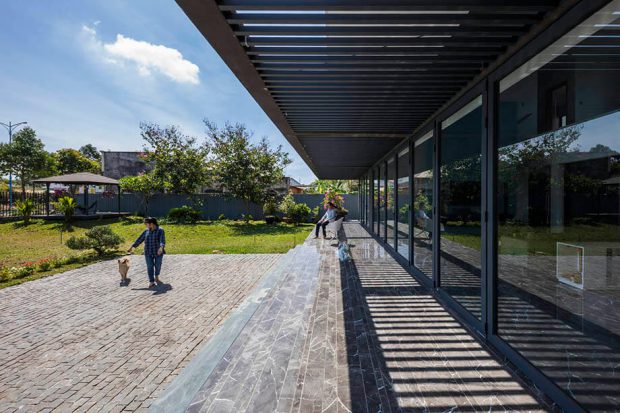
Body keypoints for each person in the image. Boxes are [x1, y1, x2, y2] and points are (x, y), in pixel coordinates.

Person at [128, 217, 166, 289]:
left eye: (146, 223)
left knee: (158, 265)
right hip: (148, 252)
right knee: (149, 266)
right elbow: (140, 239)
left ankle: (156, 276)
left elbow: (162, 240)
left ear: (151, 224)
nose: (145, 225)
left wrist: (161, 248)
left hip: (158, 252)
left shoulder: (160, 230)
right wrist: (132, 247)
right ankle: (151, 281)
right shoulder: (146, 231)